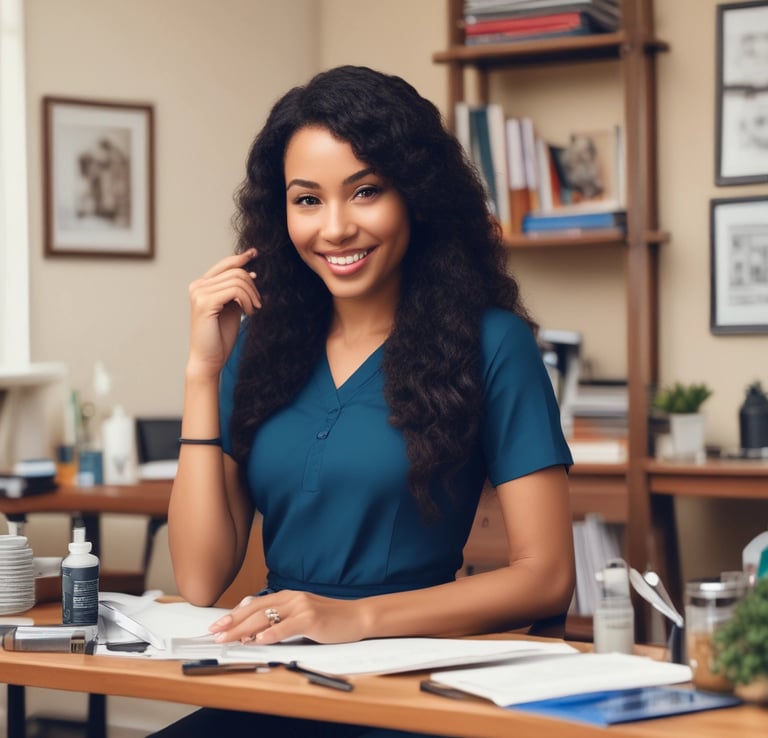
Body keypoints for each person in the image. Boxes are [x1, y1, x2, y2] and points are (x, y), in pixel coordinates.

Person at [156, 65, 575, 737]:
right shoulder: (261, 343)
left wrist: (356, 618)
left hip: (406, 691)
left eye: (366, 191)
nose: (336, 228)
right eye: (308, 200)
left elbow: (547, 576)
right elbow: (202, 577)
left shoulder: (493, 343)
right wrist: (202, 374)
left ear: (417, 196)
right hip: (275, 682)